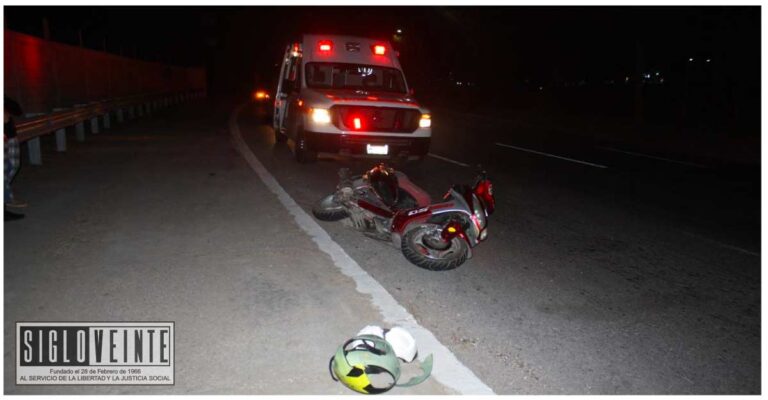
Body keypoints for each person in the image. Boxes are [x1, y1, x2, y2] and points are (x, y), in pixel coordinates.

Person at [5, 96, 26, 221]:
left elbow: (17, 110)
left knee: (12, 166)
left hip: (10, 136)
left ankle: (6, 196)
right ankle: (5, 204)